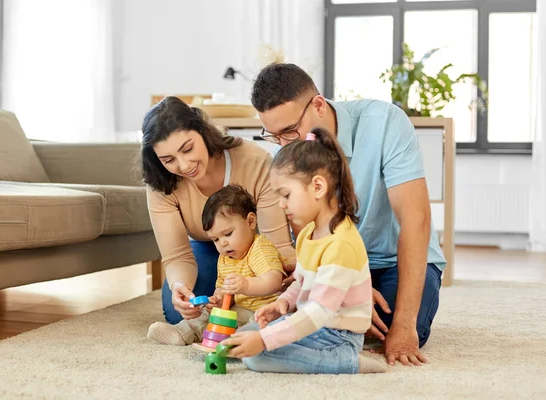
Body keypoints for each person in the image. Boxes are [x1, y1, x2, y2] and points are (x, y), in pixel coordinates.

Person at [249, 63, 446, 366]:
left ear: (318, 105)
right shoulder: (287, 153)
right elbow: (304, 238)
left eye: (290, 131)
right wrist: (347, 290)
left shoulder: (385, 123)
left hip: (393, 261)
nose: (285, 145)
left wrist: (403, 325)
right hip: (335, 265)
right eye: (274, 136)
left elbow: (416, 221)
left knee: (392, 331)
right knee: (287, 316)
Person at [224, 128, 387, 374]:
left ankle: (345, 361)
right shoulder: (309, 232)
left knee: (257, 357)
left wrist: (265, 340)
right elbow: (302, 282)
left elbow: (319, 312)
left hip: (337, 334)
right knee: (245, 336)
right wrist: (283, 303)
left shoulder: (341, 244)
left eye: (286, 195)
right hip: (312, 322)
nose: (281, 204)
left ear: (318, 187)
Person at [140, 96, 295, 325]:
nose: (183, 166)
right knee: (181, 314)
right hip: (207, 248)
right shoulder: (161, 183)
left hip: (258, 249)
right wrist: (179, 287)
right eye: (168, 159)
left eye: (188, 149)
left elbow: (276, 245)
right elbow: (177, 256)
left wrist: (291, 275)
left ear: (202, 131)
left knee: (273, 305)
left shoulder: (253, 159)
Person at [146, 185, 287, 345]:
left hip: (265, 311)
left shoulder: (260, 247)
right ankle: (182, 332)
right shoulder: (226, 257)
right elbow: (223, 288)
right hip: (240, 309)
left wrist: (246, 284)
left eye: (227, 234)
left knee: (253, 327)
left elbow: (274, 281)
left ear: (251, 221)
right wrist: (218, 299)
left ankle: (239, 341)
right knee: (208, 317)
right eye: (215, 239)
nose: (223, 243)